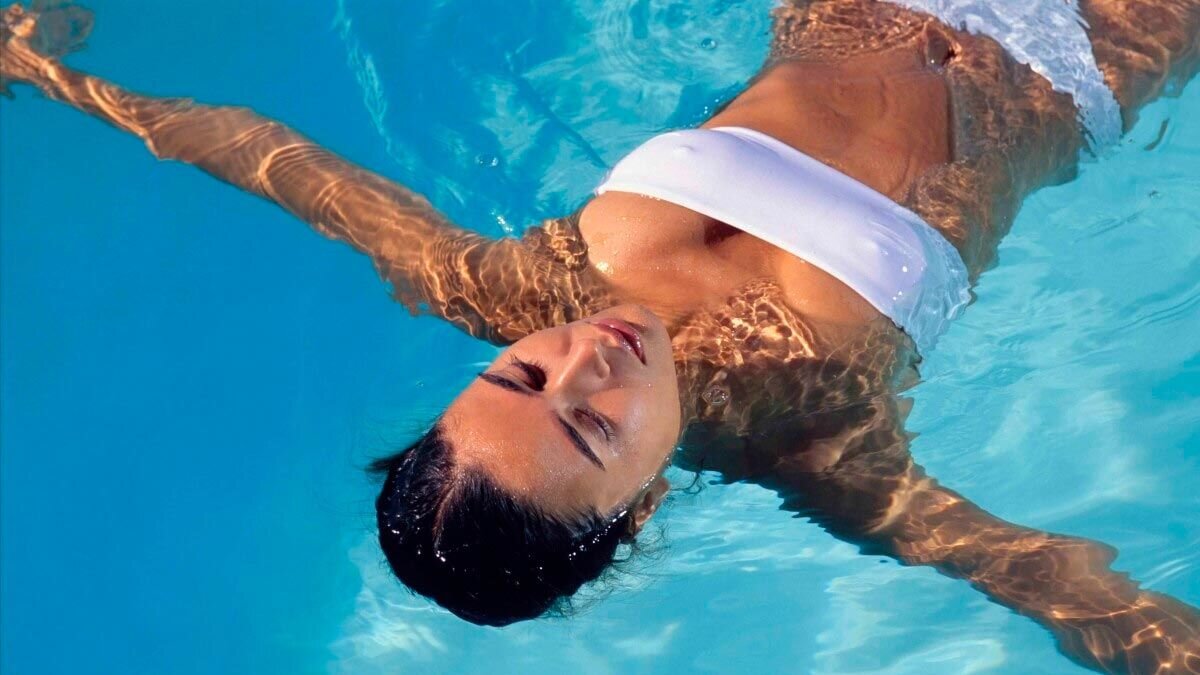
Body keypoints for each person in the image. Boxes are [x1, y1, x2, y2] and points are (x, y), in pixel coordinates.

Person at [3, 1, 1199, 672]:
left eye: (520, 376)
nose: (586, 356)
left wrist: (53, 78)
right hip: (1096, 44)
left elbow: (276, 165)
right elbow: (1070, 593)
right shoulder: (823, 447)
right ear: (639, 509)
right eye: (586, 429)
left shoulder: (506, 285)